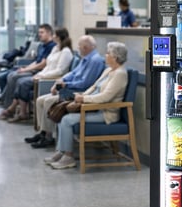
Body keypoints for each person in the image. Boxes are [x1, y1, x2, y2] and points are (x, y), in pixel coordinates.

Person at [44, 41, 128, 169]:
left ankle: (68, 157)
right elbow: (94, 86)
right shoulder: (108, 70)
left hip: (105, 113)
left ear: (115, 57)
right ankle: (60, 151)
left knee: (66, 120)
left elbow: (106, 97)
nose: (105, 55)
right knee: (62, 116)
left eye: (107, 53)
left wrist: (84, 99)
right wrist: (80, 97)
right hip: (91, 107)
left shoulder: (120, 74)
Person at [24, 35, 105, 148]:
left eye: (80, 46)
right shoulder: (86, 58)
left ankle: (48, 137)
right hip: (71, 89)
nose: (78, 48)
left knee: (48, 101)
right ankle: (43, 132)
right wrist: (62, 80)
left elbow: (86, 83)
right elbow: (73, 73)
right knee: (40, 100)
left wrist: (65, 84)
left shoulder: (96, 61)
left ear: (86, 47)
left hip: (78, 93)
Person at [0, 27, 73, 122]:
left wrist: (42, 76)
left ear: (59, 37)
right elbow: (48, 65)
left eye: (54, 35)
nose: (53, 36)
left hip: (51, 78)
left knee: (23, 83)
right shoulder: (56, 48)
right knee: (20, 81)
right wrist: (40, 74)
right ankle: (19, 112)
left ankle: (20, 113)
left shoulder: (66, 52)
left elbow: (59, 71)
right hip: (44, 75)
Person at [0, 23, 56, 108]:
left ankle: (7, 104)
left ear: (49, 33)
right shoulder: (43, 46)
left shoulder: (51, 47)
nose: (39, 35)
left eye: (42, 32)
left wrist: (26, 70)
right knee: (10, 74)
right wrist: (26, 68)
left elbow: (42, 65)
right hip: (34, 69)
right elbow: (36, 61)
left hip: (39, 72)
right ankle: (4, 99)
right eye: (39, 32)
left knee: (13, 76)